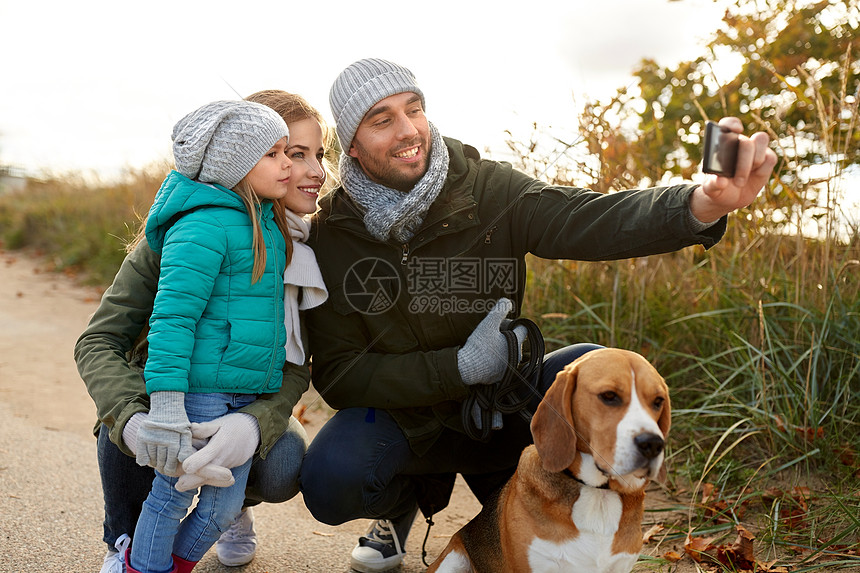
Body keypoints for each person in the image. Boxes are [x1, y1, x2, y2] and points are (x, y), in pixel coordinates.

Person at [300, 58, 778, 573]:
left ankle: (560, 521)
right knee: (331, 479)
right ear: (350, 144)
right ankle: (398, 506)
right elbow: (341, 374)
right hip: (406, 424)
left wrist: (696, 207)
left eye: (414, 110)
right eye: (382, 119)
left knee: (592, 368)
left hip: (502, 411)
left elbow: (588, 218)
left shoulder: (489, 189)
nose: (409, 130)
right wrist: (457, 367)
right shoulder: (331, 235)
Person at [75, 90, 330, 573]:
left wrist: (252, 425)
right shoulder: (191, 230)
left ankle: (230, 511)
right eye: (292, 154)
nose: (314, 170)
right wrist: (135, 417)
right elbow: (97, 342)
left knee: (282, 463)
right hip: (175, 392)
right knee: (130, 429)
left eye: (320, 154)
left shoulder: (308, 248)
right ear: (241, 160)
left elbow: (297, 362)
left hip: (245, 392)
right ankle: (125, 541)